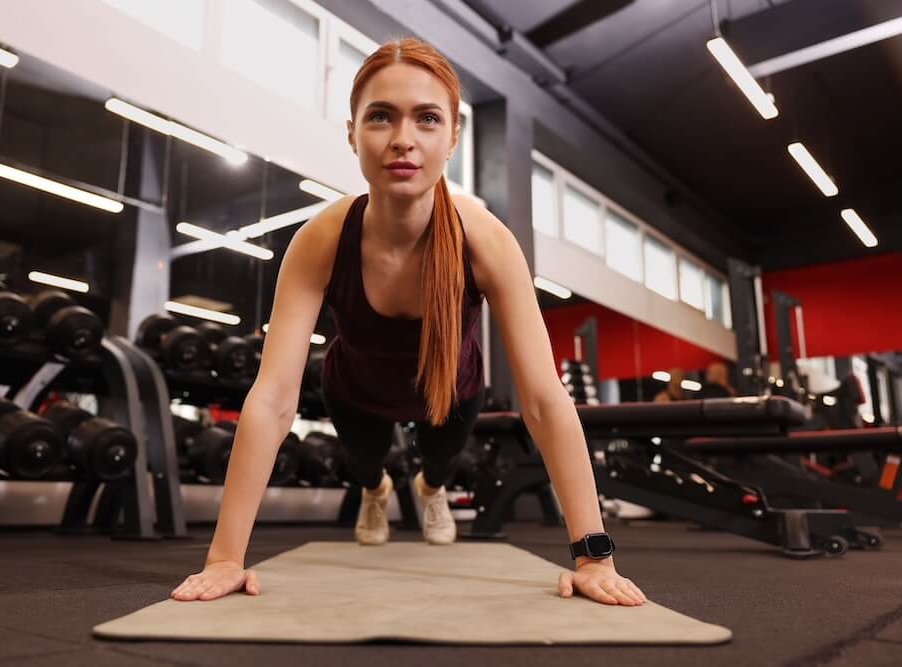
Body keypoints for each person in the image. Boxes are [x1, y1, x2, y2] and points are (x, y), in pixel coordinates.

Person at [170, 37, 646, 608]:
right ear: (351, 135)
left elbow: (545, 399)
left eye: (426, 118)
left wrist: (594, 557)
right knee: (367, 467)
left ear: (452, 137)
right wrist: (225, 558)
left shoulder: (486, 239)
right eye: (380, 117)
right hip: (354, 392)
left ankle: (430, 489)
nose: (403, 139)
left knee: (441, 465)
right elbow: (272, 397)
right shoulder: (321, 239)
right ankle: (378, 492)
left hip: (450, 391)